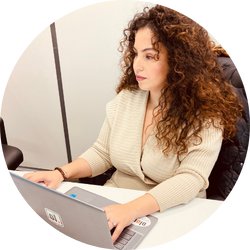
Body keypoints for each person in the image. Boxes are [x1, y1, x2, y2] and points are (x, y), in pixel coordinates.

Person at [24, 2, 243, 243]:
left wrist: (130, 210)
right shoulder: (128, 97)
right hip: (114, 202)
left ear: (179, 61)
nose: (136, 64)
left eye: (150, 56)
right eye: (136, 53)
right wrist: (61, 173)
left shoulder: (205, 113)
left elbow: (190, 180)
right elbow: (102, 152)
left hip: (173, 212)